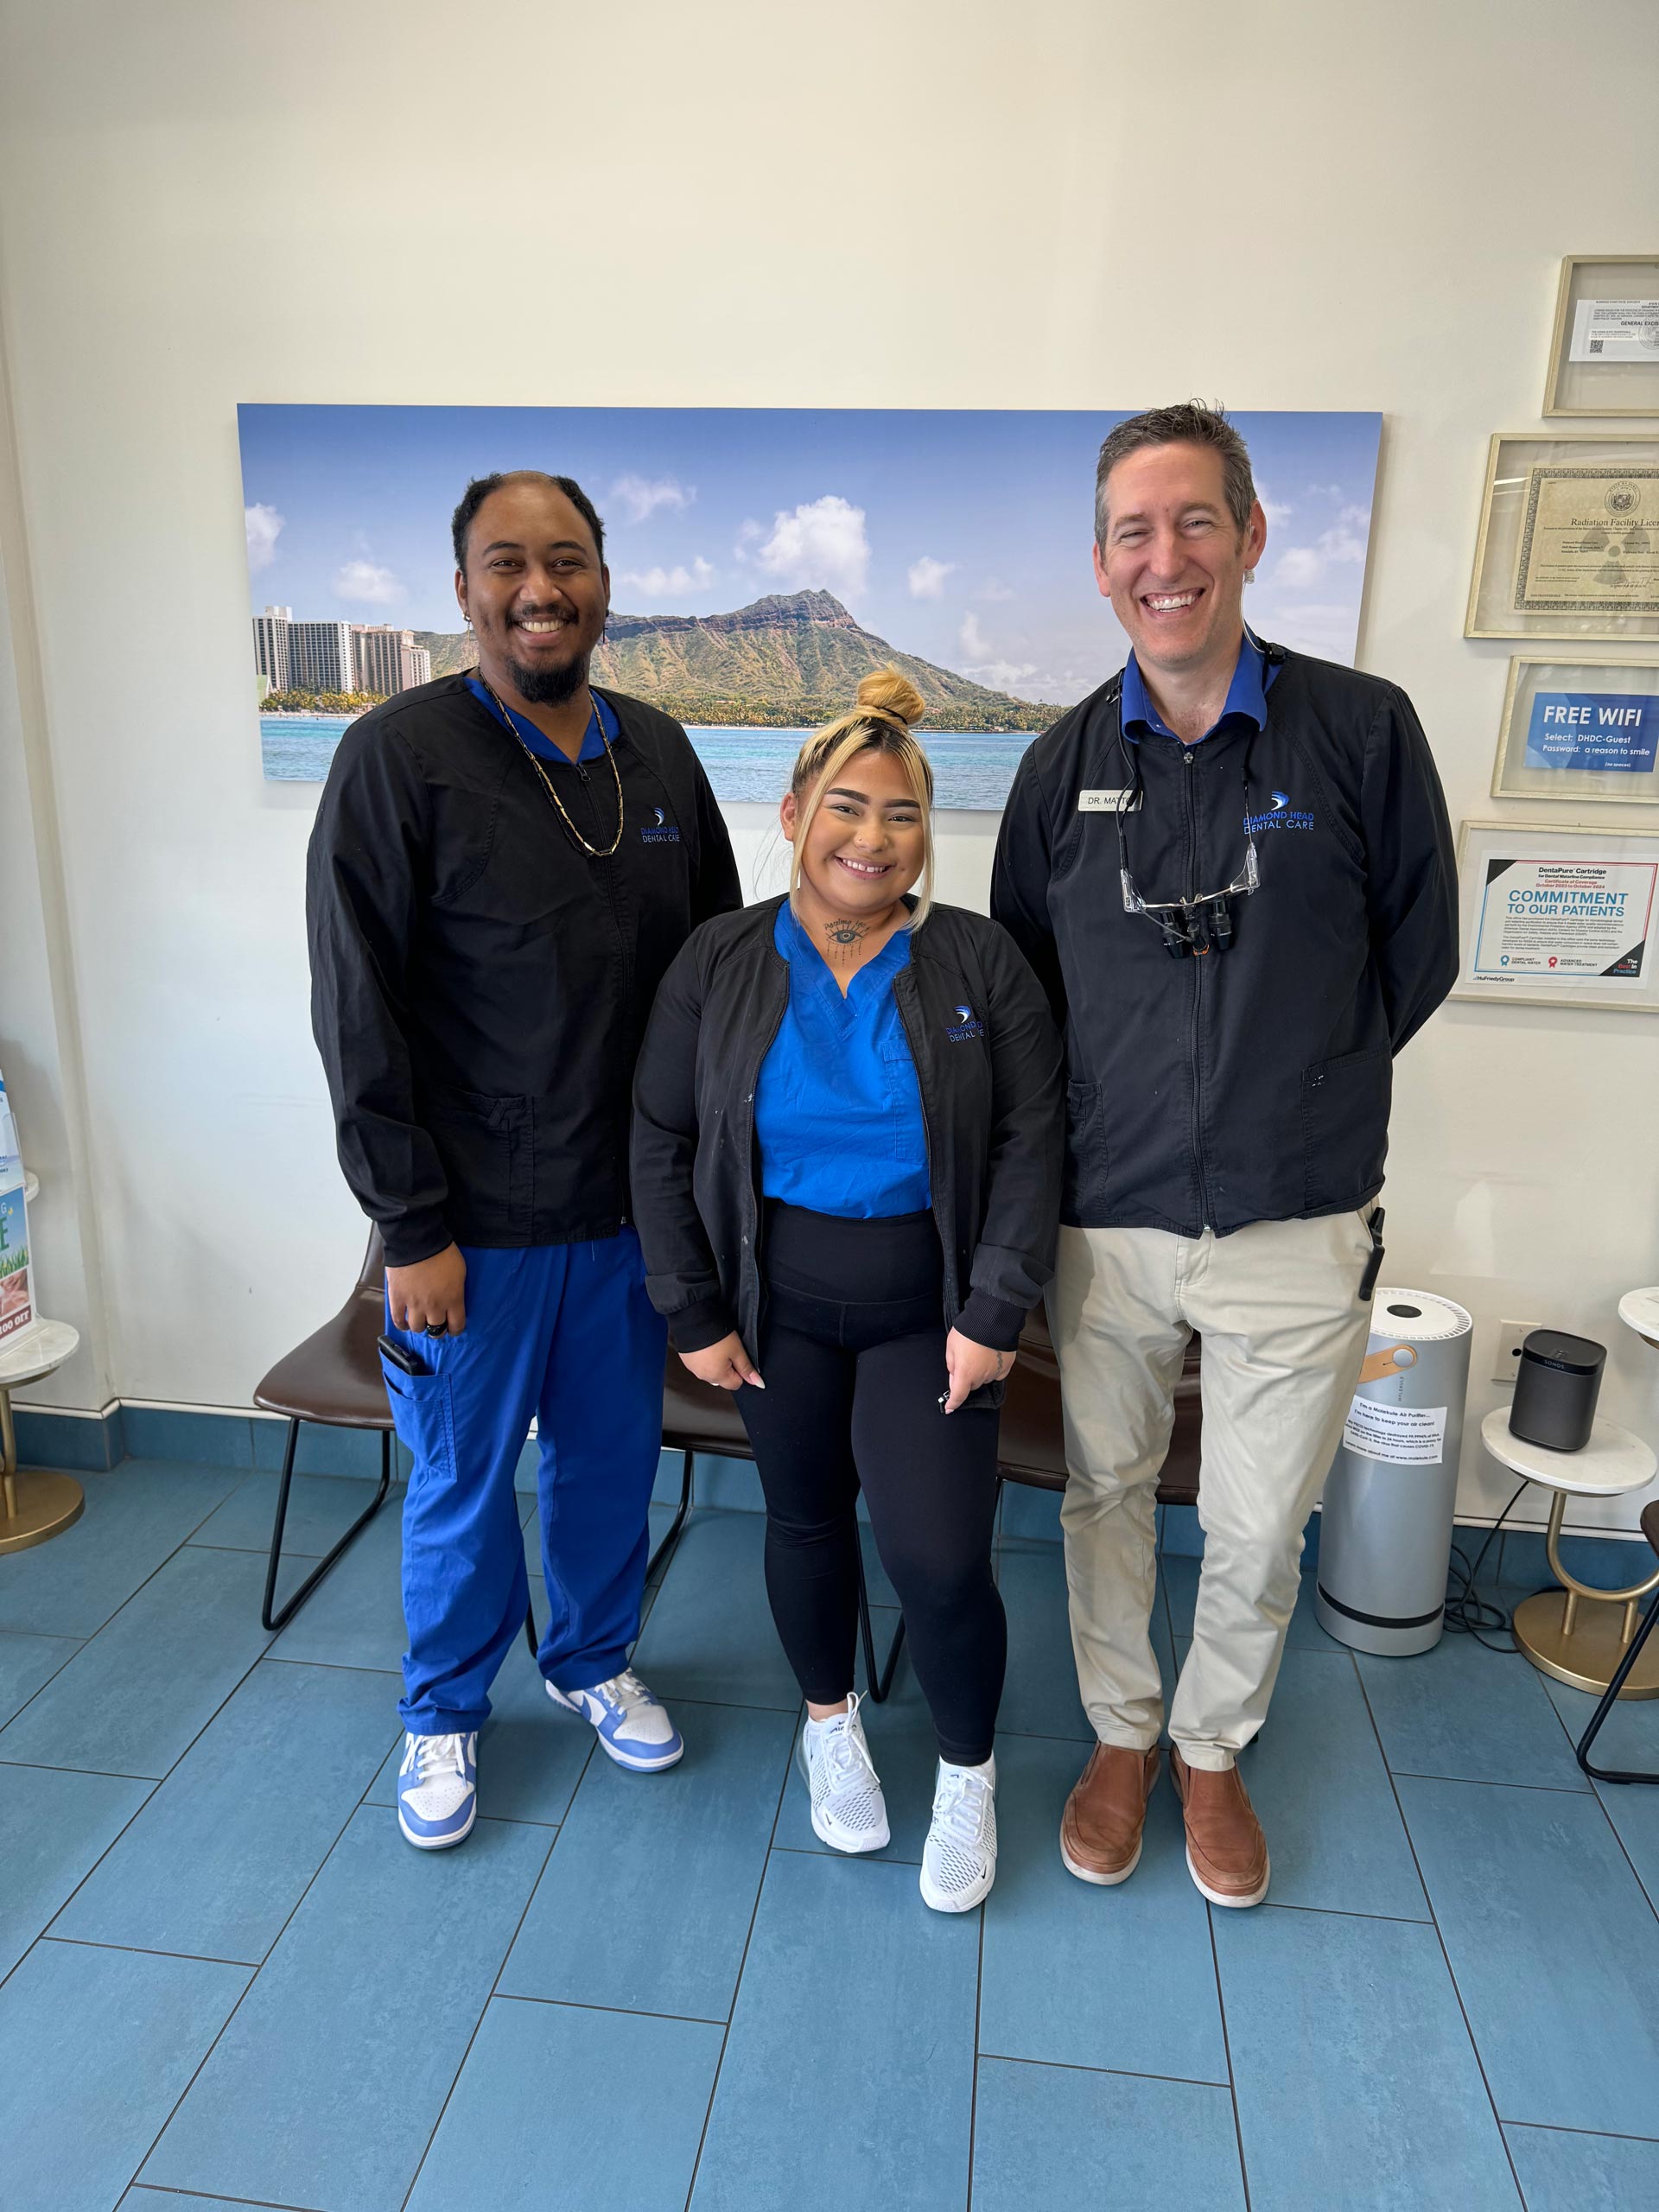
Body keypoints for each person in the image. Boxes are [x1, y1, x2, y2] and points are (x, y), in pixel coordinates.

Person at [991, 403, 1457, 1908]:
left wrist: (1295, 1091)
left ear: (1252, 538)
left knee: (1261, 1518)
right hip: (1106, 1217)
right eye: (1135, 530)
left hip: (1295, 1216)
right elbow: (1017, 988)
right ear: (1102, 562)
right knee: (1104, 1492)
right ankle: (1121, 1736)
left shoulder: (1363, 730)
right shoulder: (1062, 767)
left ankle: (1210, 1749)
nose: (1166, 557)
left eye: (1196, 522)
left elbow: (1418, 954)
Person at [307, 468, 740, 1849]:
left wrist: (709, 1206)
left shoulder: (661, 756)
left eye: (566, 560)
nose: (538, 588)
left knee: (613, 1464)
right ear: (463, 592)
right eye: (507, 563)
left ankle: (594, 1662)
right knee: (460, 1483)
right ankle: (442, 1716)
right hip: (466, 1233)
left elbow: (720, 980)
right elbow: (354, 1006)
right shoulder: (396, 757)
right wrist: (408, 1227)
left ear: (605, 581)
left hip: (628, 1221)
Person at [631, 671, 1062, 1911]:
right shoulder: (717, 960)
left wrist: (995, 1312)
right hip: (775, 1308)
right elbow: (659, 1136)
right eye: (846, 807)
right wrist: (691, 1308)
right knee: (805, 1524)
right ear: (792, 815)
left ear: (931, 832)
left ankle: (968, 1775)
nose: (872, 838)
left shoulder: (980, 961)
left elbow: (1035, 1141)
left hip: (930, 1314)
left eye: (903, 814)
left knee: (937, 1559)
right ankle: (829, 1722)